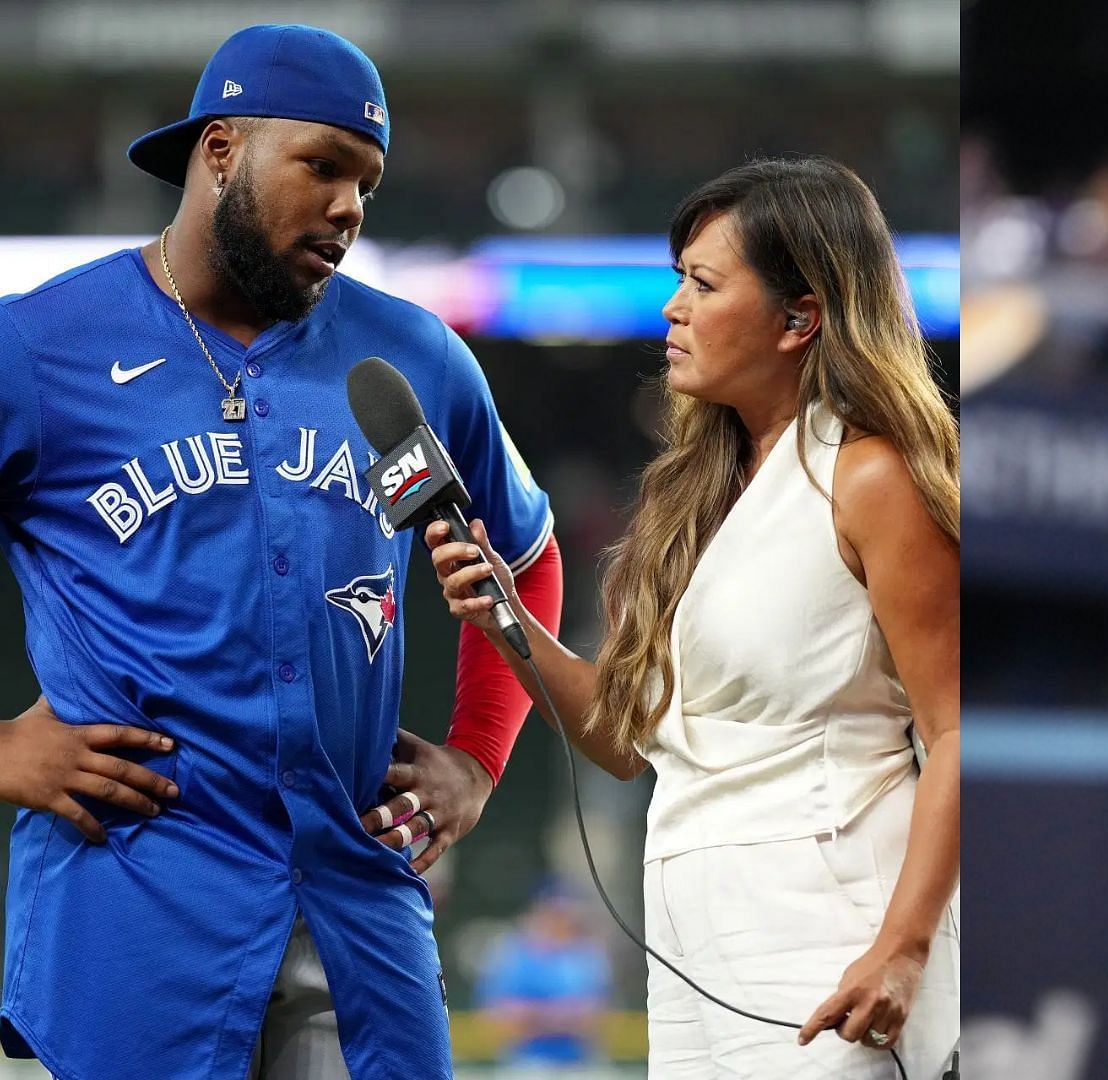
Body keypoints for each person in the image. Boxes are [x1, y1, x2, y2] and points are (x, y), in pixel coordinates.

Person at [0, 24, 563, 1080]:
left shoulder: (410, 361)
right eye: (324, 166)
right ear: (221, 150)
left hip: (360, 902)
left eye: (370, 184)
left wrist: (480, 758)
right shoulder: (40, 348)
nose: (351, 206)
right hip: (137, 907)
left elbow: (521, 553)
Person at [426, 156, 961, 1078]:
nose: (672, 306)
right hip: (691, 958)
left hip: (830, 942)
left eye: (704, 283)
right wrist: (504, 618)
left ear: (802, 318)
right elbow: (633, 743)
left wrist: (905, 947)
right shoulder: (699, 495)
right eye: (678, 279)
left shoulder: (871, 476)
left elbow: (956, 730)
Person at [478, 879, 616, 1076]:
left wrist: (537, 1016)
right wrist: (562, 1017)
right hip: (526, 1062)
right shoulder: (513, 953)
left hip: (580, 1062)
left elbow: (596, 1017)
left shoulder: (587, 954)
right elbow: (502, 1017)